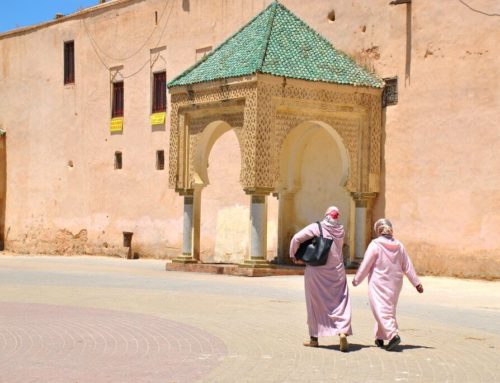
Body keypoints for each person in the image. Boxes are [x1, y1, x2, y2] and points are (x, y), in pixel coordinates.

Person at [352, 218, 424, 351]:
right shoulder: (399, 245)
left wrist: (357, 280)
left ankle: (393, 335)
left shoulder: (375, 244)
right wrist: (417, 283)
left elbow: (366, 265)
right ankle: (380, 337)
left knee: (380, 309)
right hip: (395, 283)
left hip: (378, 283)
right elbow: (407, 266)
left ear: (378, 230)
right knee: (387, 309)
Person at [289, 206, 352, 352]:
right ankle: (342, 332)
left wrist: (293, 255)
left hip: (317, 272)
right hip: (337, 272)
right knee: (340, 302)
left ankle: (314, 339)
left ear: (326, 215)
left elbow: (296, 238)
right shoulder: (340, 230)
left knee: (314, 304)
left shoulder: (317, 227)